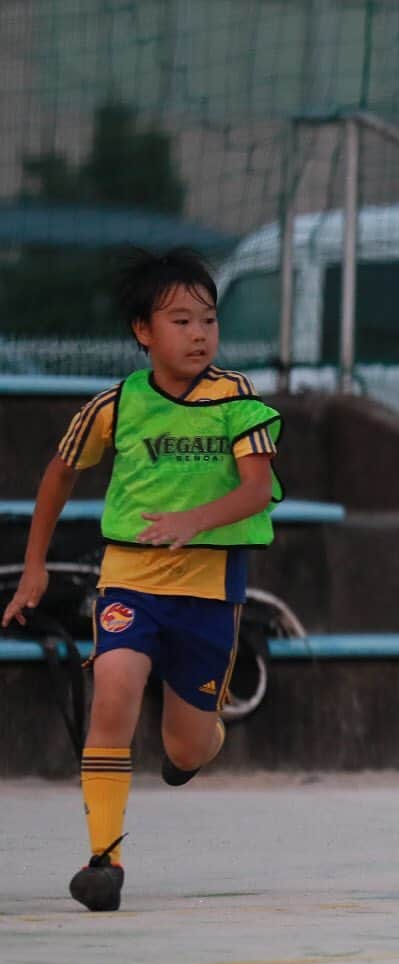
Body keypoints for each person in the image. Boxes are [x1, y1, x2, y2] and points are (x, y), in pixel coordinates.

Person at [1, 247, 282, 911]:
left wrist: (195, 519)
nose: (198, 335)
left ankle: (197, 743)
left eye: (208, 321)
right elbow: (60, 474)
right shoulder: (114, 405)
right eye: (181, 321)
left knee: (187, 744)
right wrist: (35, 566)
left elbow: (256, 490)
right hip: (130, 579)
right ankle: (104, 858)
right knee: (113, 692)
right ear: (142, 332)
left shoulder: (235, 399)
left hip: (210, 589)